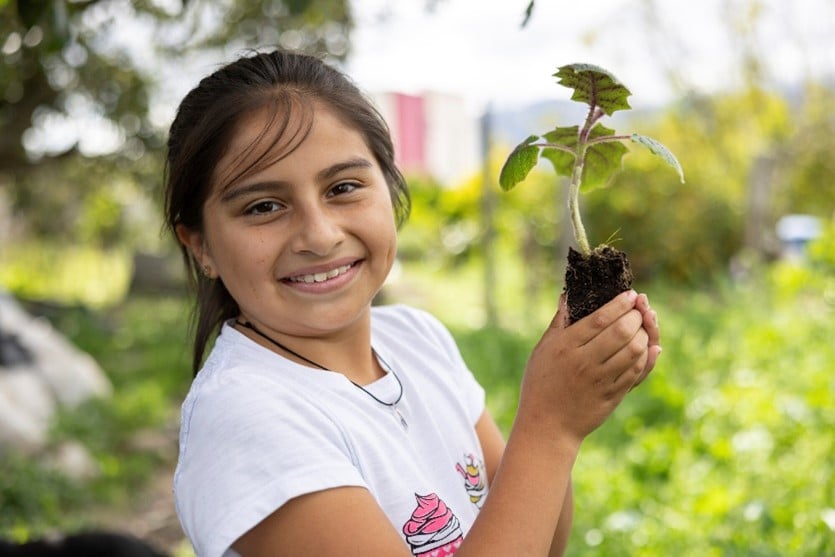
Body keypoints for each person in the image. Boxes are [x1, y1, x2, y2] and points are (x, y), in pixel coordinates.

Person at [164, 49, 661, 557]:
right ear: (201, 245)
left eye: (343, 187)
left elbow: (542, 546)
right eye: (264, 206)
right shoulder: (247, 418)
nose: (318, 235)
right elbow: (545, 445)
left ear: (390, 189)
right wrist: (551, 425)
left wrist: (564, 418)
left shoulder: (416, 339)